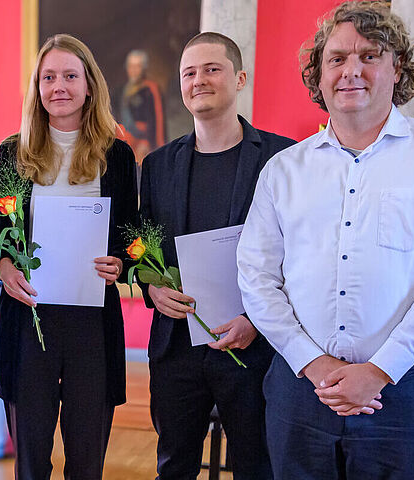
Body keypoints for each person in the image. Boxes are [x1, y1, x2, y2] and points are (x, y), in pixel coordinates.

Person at [236, 2, 414, 478]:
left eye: (369, 55)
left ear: (397, 68)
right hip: (300, 390)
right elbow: (256, 277)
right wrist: (314, 364)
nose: (351, 70)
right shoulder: (284, 169)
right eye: (336, 59)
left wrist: (377, 372)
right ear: (318, 74)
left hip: (403, 391)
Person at [138, 32, 294, 480]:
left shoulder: (283, 158)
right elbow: (144, 249)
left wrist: (257, 319)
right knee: (173, 465)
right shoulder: (158, 164)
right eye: (190, 72)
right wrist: (151, 288)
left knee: (256, 466)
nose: (199, 80)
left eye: (212, 69)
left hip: (254, 342)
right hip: (176, 345)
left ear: (240, 78)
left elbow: (299, 255)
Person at [0, 33, 136, 479]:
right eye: (48, 77)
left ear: (89, 84)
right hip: (28, 319)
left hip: (91, 326)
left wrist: (122, 264)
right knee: (30, 462)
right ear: (36, 88)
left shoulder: (117, 156)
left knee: (87, 461)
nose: (59, 86)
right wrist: (4, 266)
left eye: (70, 76)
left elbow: (131, 240)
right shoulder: (11, 155)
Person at [120, 49, 165, 161]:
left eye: (137, 66)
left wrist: (151, 143)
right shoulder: (123, 90)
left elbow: (158, 118)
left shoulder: (150, 88)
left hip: (144, 143)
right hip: (127, 141)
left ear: (143, 68)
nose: (133, 70)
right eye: (131, 66)